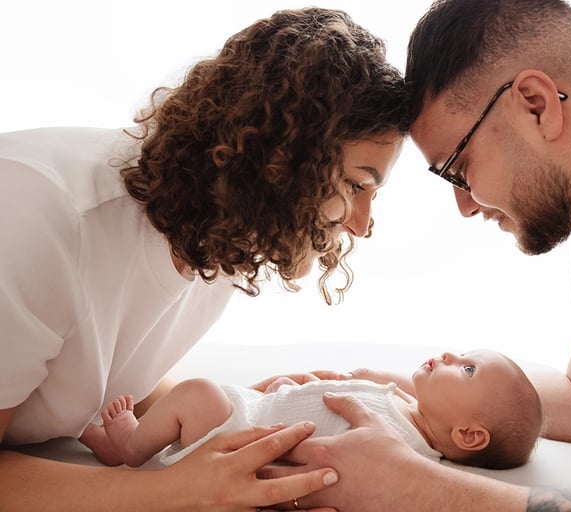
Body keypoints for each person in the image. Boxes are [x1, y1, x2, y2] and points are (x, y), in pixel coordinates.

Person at [264, 0, 571, 511]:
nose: (464, 205)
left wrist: (411, 485)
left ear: (535, 104)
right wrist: (394, 395)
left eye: (458, 169)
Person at [0, 7, 408, 510]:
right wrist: (171, 491)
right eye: (356, 185)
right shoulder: (41, 219)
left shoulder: (221, 235)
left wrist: (241, 412)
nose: (362, 224)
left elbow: (102, 375)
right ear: (282, 161)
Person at [79, 349, 541, 472]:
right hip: (258, 409)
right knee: (197, 394)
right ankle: (109, 440)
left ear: (469, 435)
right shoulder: (407, 406)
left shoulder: (400, 447)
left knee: (195, 393)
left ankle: (129, 447)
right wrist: (290, 391)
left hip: (242, 438)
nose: (448, 355)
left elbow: (322, 452)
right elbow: (324, 408)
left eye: (466, 370)